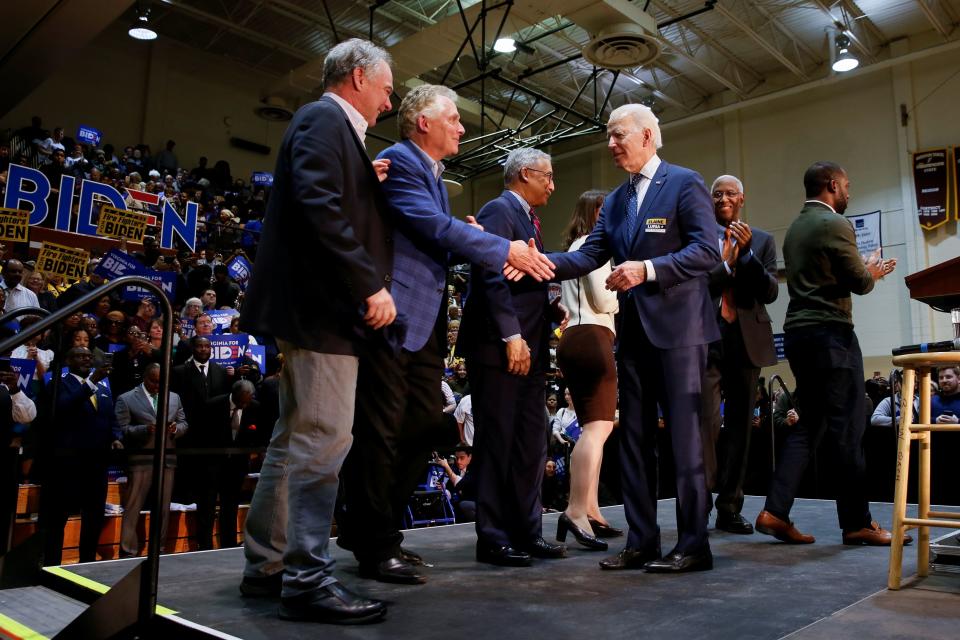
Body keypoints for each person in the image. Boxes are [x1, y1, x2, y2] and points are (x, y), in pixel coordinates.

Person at [335, 84, 554, 585]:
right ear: (424, 123)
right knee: (384, 432)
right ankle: (372, 539)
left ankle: (377, 530)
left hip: (425, 320)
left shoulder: (433, 175)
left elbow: (436, 240)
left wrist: (468, 238)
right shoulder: (400, 160)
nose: (461, 127)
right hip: (396, 315)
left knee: (422, 429)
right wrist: (496, 245)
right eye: (453, 119)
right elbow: (430, 226)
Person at [238, 38, 396, 625]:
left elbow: (331, 195)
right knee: (322, 443)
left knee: (294, 439)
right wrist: (367, 284)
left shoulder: (331, 128)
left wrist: (364, 176)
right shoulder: (324, 118)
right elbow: (318, 204)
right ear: (358, 77)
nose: (387, 99)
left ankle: (269, 566)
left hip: (309, 310)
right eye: (384, 87)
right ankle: (307, 579)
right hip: (322, 310)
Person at [549, 103, 720, 573]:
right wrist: (534, 261)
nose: (610, 143)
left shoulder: (685, 183)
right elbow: (589, 254)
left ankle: (693, 546)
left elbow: (707, 252)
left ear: (647, 136)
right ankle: (642, 541)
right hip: (634, 337)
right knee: (634, 441)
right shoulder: (619, 200)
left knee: (685, 444)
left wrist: (646, 269)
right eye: (608, 135)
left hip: (681, 334)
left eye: (617, 134)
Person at [755, 161, 902, 547]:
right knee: (849, 429)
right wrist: (873, 270)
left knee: (810, 423)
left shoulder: (795, 228)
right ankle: (857, 522)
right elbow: (859, 282)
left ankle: (775, 510)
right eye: (847, 185)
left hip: (799, 335)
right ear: (832, 185)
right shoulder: (836, 224)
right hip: (832, 336)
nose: (850, 192)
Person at [459, 147, 568, 568]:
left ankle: (527, 530)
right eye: (548, 177)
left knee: (530, 445)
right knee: (498, 442)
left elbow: (525, 278)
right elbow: (489, 274)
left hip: (533, 348)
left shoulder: (526, 220)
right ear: (525, 174)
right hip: (501, 348)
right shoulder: (498, 210)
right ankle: (493, 536)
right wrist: (512, 334)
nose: (553, 186)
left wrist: (548, 307)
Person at [698, 175, 778, 535]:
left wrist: (745, 255)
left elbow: (770, 291)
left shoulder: (761, 240)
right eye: (717, 194)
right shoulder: (699, 238)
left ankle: (729, 507)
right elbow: (699, 287)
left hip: (747, 339)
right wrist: (726, 264)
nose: (723, 198)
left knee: (741, 429)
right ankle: (698, 503)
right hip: (706, 336)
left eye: (730, 193)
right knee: (707, 423)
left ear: (742, 198)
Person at [554, 190, 621, 551]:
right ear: (598, 212)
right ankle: (577, 509)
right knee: (598, 427)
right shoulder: (592, 247)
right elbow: (603, 297)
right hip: (593, 336)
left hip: (574, 339)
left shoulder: (572, 247)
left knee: (593, 427)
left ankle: (591, 508)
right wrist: (624, 289)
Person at [40, 347, 122, 565]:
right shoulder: (59, 382)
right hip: (68, 463)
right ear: (68, 359)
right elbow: (63, 407)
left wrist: (116, 436)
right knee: (59, 519)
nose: (86, 359)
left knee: (94, 517)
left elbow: (110, 416)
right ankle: (52, 565)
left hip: (97, 464)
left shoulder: (103, 387)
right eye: (80, 356)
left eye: (88, 356)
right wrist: (91, 381)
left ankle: (87, 562)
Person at [114, 363, 188, 557]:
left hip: (167, 458)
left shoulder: (174, 397)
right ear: (145, 378)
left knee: (163, 508)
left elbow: (183, 422)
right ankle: (128, 549)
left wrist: (176, 430)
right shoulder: (126, 398)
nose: (158, 385)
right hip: (140, 460)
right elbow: (122, 429)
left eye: (161, 381)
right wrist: (143, 430)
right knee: (133, 507)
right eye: (154, 381)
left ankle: (159, 548)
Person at [196, 380, 261, 550]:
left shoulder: (255, 407)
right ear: (234, 394)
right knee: (207, 506)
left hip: (236, 466)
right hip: (212, 465)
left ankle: (228, 545)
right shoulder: (213, 405)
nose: (244, 405)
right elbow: (201, 434)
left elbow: (256, 434)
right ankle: (204, 545)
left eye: (248, 400)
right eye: (241, 401)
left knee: (230, 506)